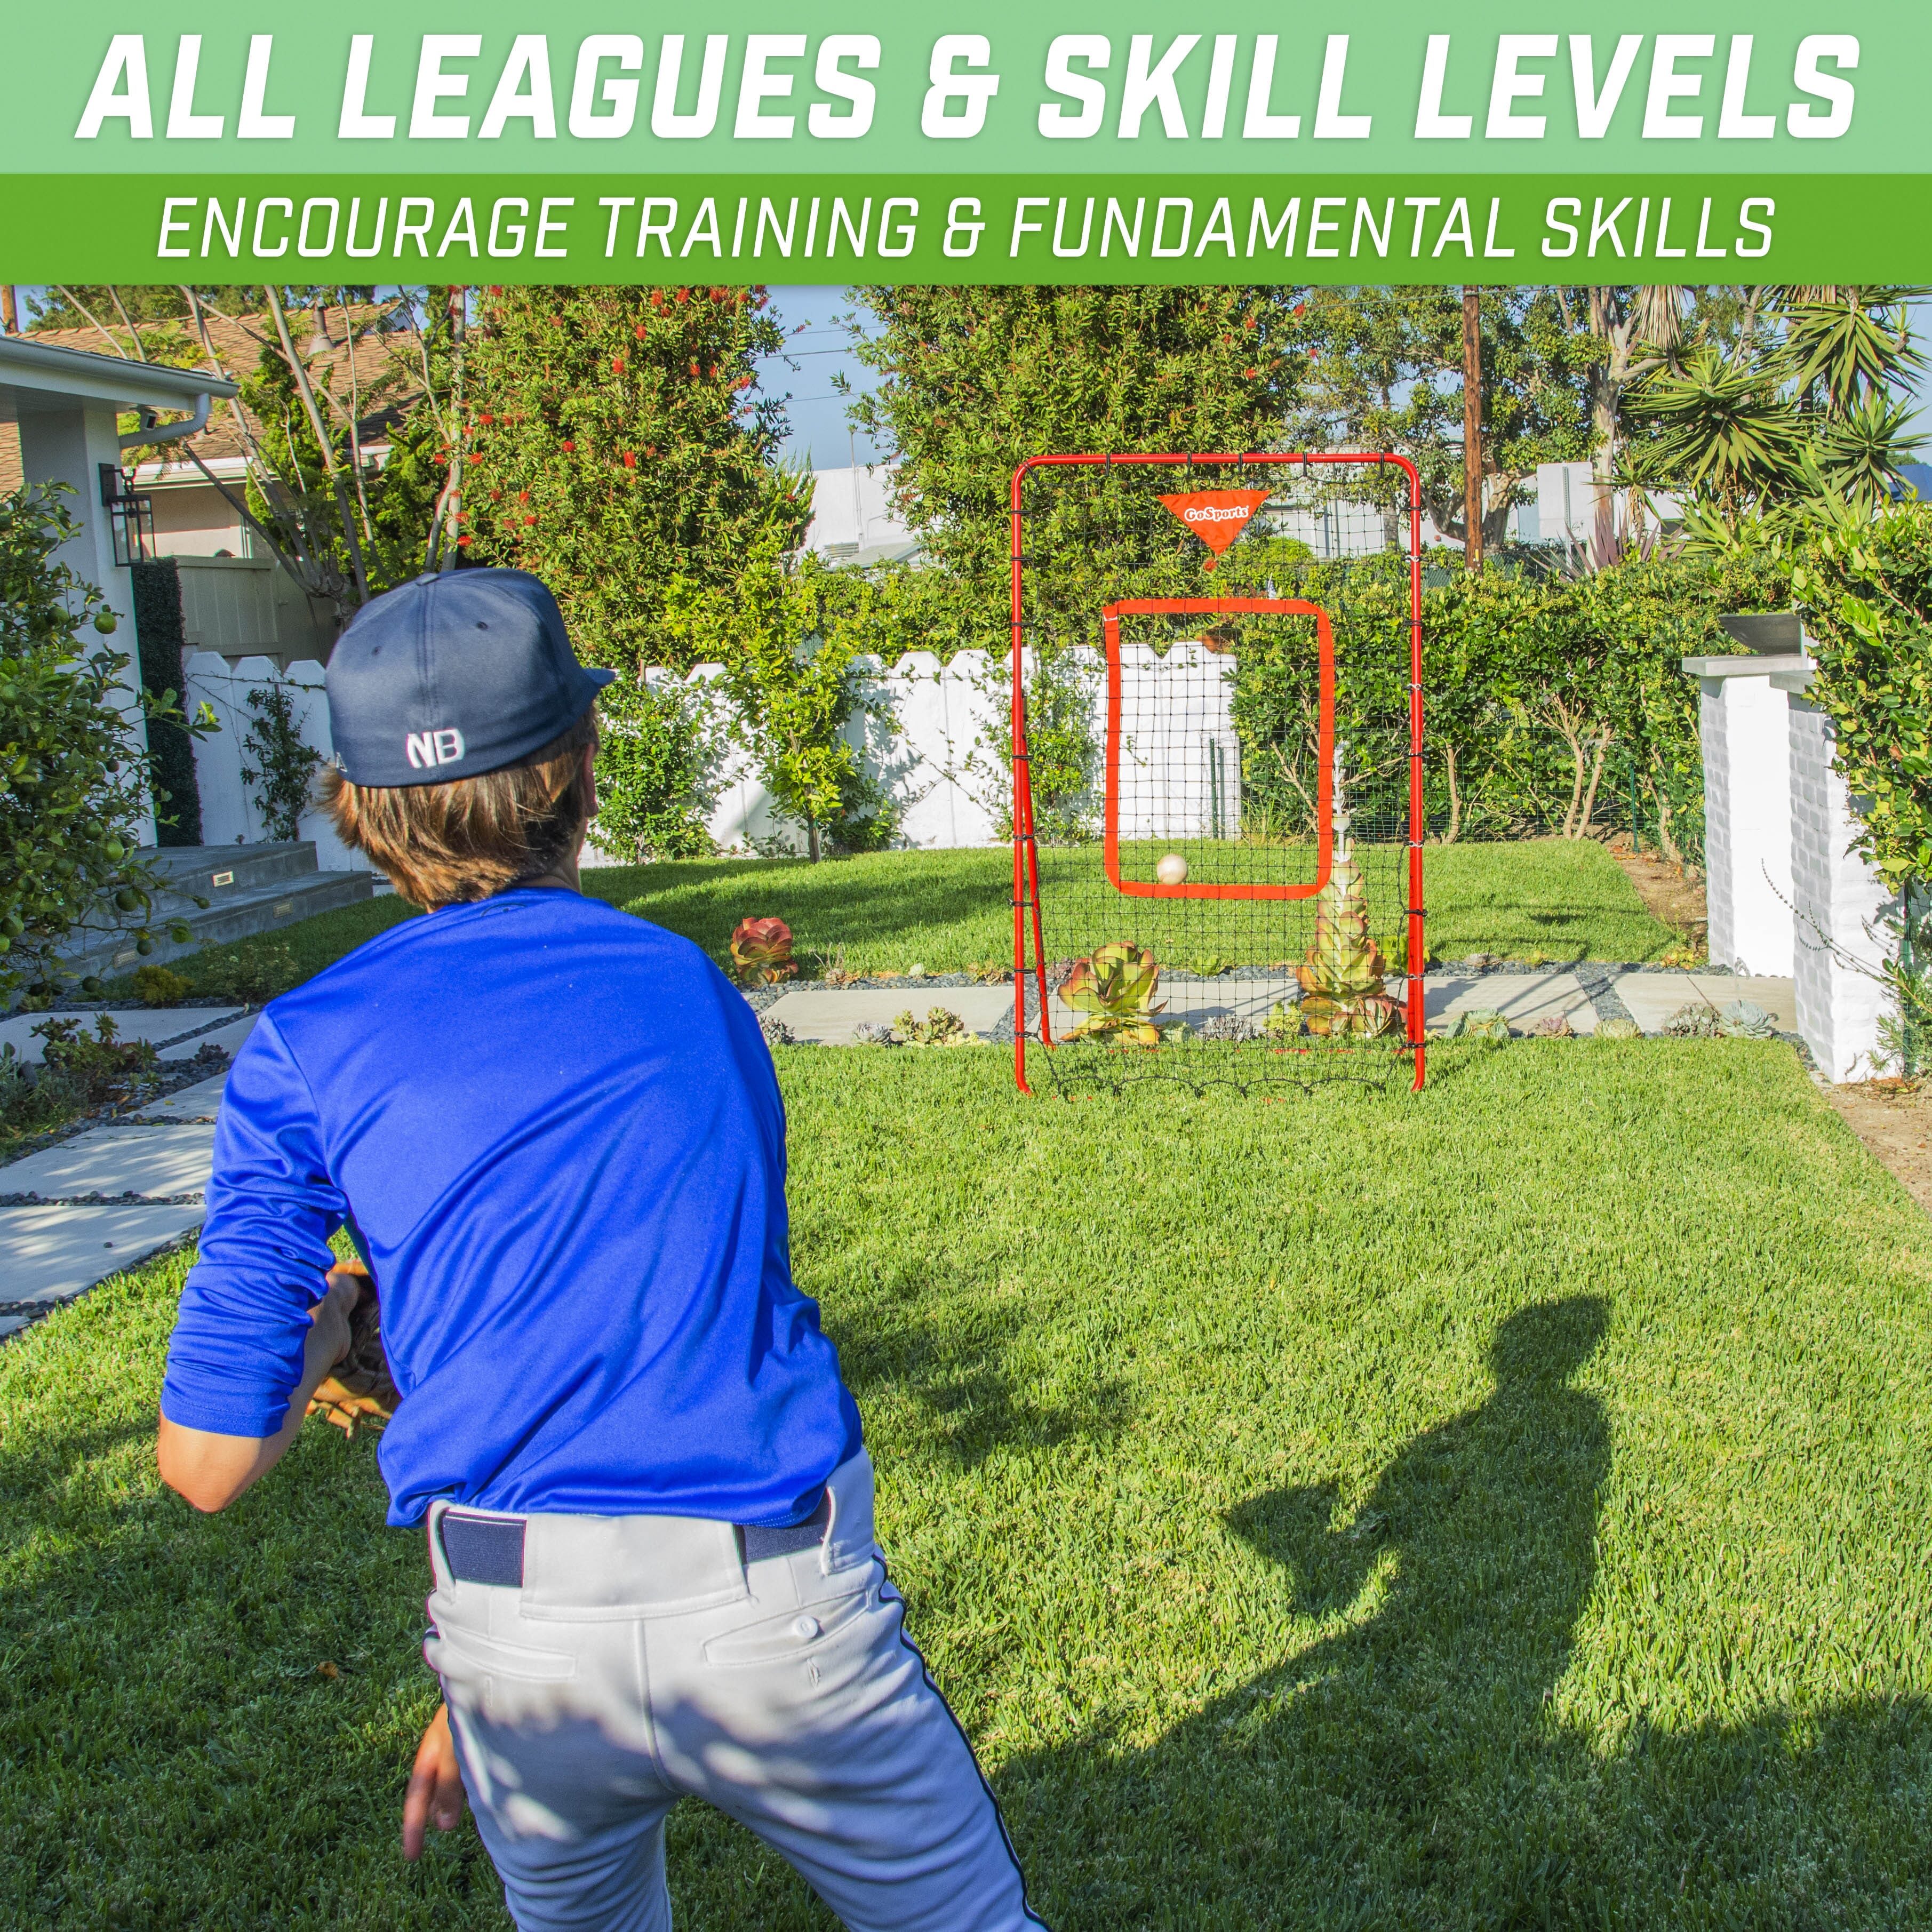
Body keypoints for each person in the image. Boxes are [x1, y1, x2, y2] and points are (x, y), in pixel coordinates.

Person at [156, 568, 1045, 1932]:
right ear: (577, 765)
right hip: (774, 1604)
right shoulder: (688, 991)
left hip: (518, 1651)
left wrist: (340, 1322)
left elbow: (206, 1465)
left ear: (358, 806)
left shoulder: (301, 1045)